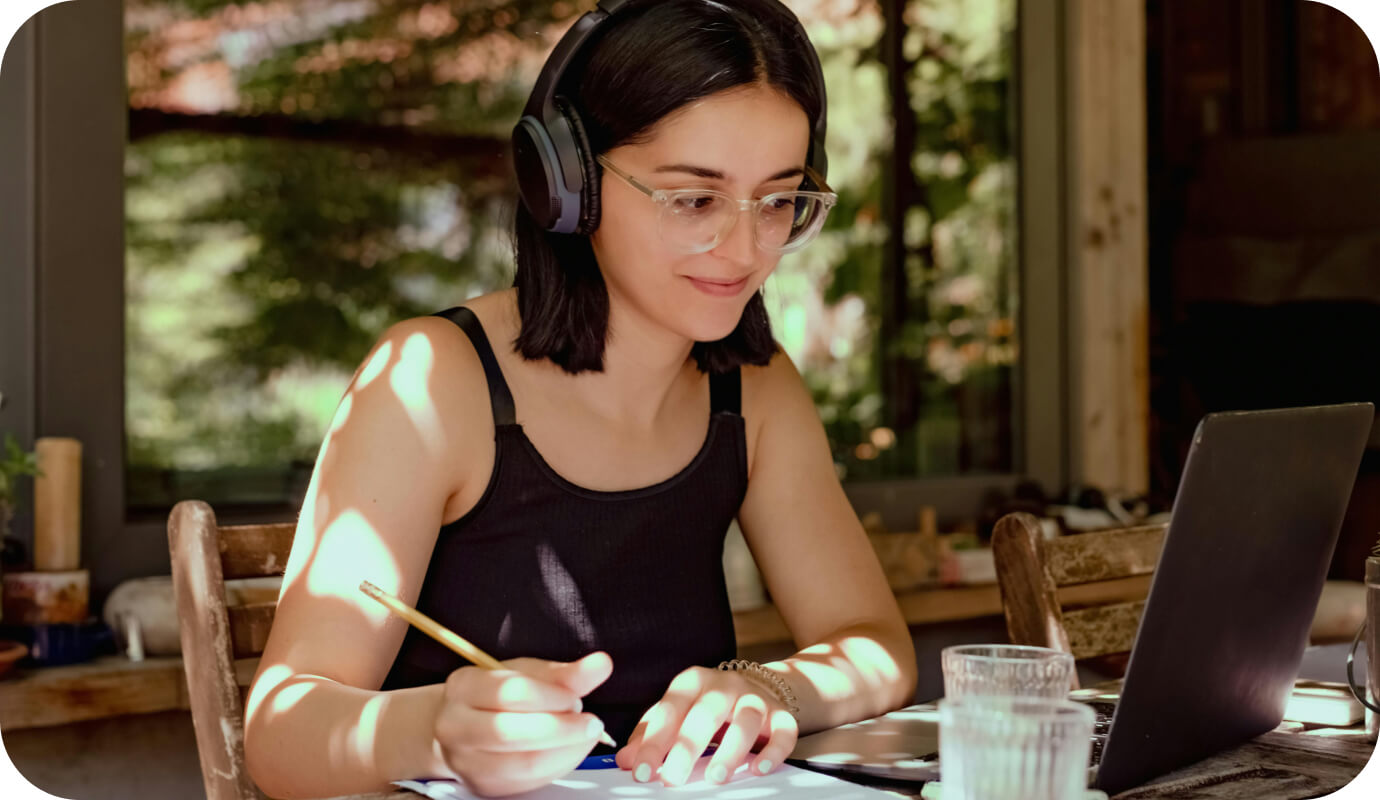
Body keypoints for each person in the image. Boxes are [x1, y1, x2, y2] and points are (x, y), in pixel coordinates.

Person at [243, 0, 918, 797]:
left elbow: (873, 645)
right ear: (568, 183)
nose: (745, 249)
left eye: (778, 201)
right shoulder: (433, 380)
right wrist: (432, 731)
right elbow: (279, 737)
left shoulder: (756, 388)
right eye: (695, 200)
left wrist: (770, 691)